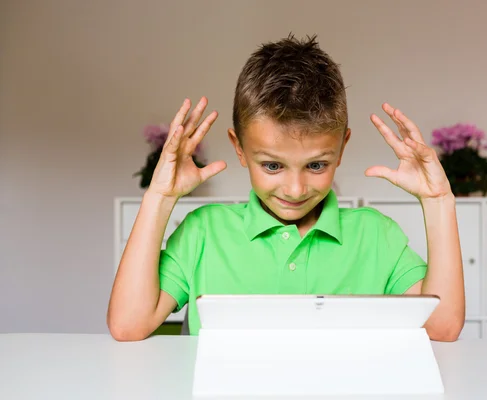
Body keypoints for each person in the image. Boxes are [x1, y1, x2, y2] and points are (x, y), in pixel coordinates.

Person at [107, 34, 465, 342]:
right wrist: (160, 198)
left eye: (316, 165)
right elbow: (128, 325)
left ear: (341, 149)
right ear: (239, 148)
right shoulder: (204, 232)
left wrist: (438, 202)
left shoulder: (376, 236)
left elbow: (443, 327)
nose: (295, 189)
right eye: (273, 165)